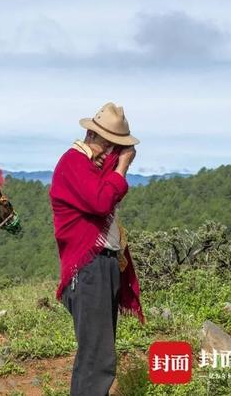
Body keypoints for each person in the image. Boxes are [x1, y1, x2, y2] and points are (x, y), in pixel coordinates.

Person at [49, 102, 144, 396]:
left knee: (96, 353)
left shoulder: (89, 167)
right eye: (110, 145)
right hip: (89, 269)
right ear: (92, 135)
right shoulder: (75, 163)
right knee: (97, 358)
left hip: (101, 267)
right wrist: (123, 167)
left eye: (118, 149)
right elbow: (102, 202)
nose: (112, 153)